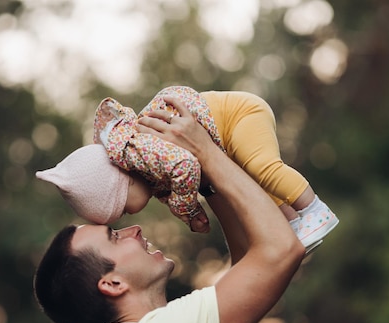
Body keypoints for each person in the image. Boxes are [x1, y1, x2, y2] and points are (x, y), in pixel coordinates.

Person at [33, 97, 308, 323]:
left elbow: (252, 267)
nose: (133, 228)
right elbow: (280, 251)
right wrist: (207, 153)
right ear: (112, 283)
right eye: (115, 236)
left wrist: (207, 178)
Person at [36, 86, 338, 249]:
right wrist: (192, 213)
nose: (132, 215)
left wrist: (188, 209)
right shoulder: (151, 174)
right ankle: (292, 222)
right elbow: (180, 182)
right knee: (253, 180)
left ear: (122, 182)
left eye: (124, 209)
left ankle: (313, 209)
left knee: (262, 167)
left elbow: (185, 165)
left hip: (240, 117)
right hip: (226, 141)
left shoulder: (138, 150)